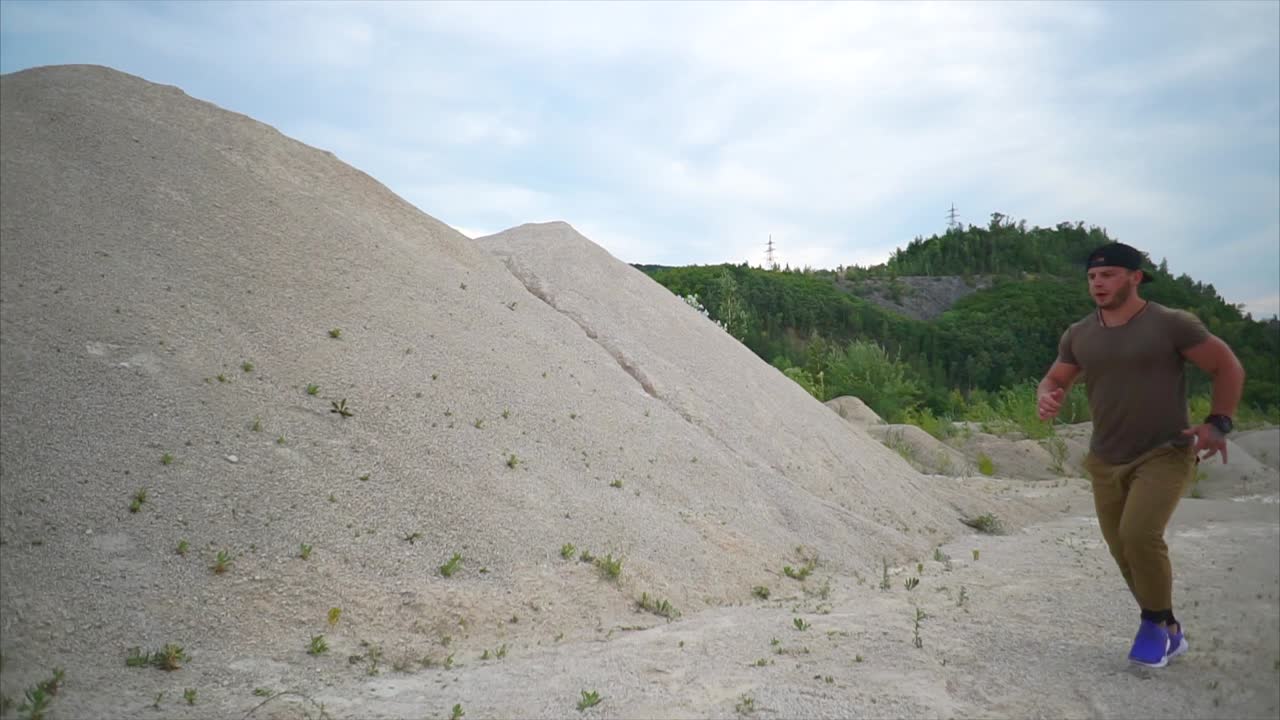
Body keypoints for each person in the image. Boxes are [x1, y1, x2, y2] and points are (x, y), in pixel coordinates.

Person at [1035, 241, 1246, 668]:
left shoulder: (1172, 324)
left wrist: (1218, 421)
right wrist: (1047, 396)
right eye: (1093, 276)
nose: (1098, 283)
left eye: (1109, 274)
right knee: (1122, 550)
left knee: (1139, 536)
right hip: (1105, 457)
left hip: (1164, 451)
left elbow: (1227, 366)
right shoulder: (1079, 334)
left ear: (1135, 277)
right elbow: (1055, 377)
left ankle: (1152, 625)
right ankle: (1169, 628)